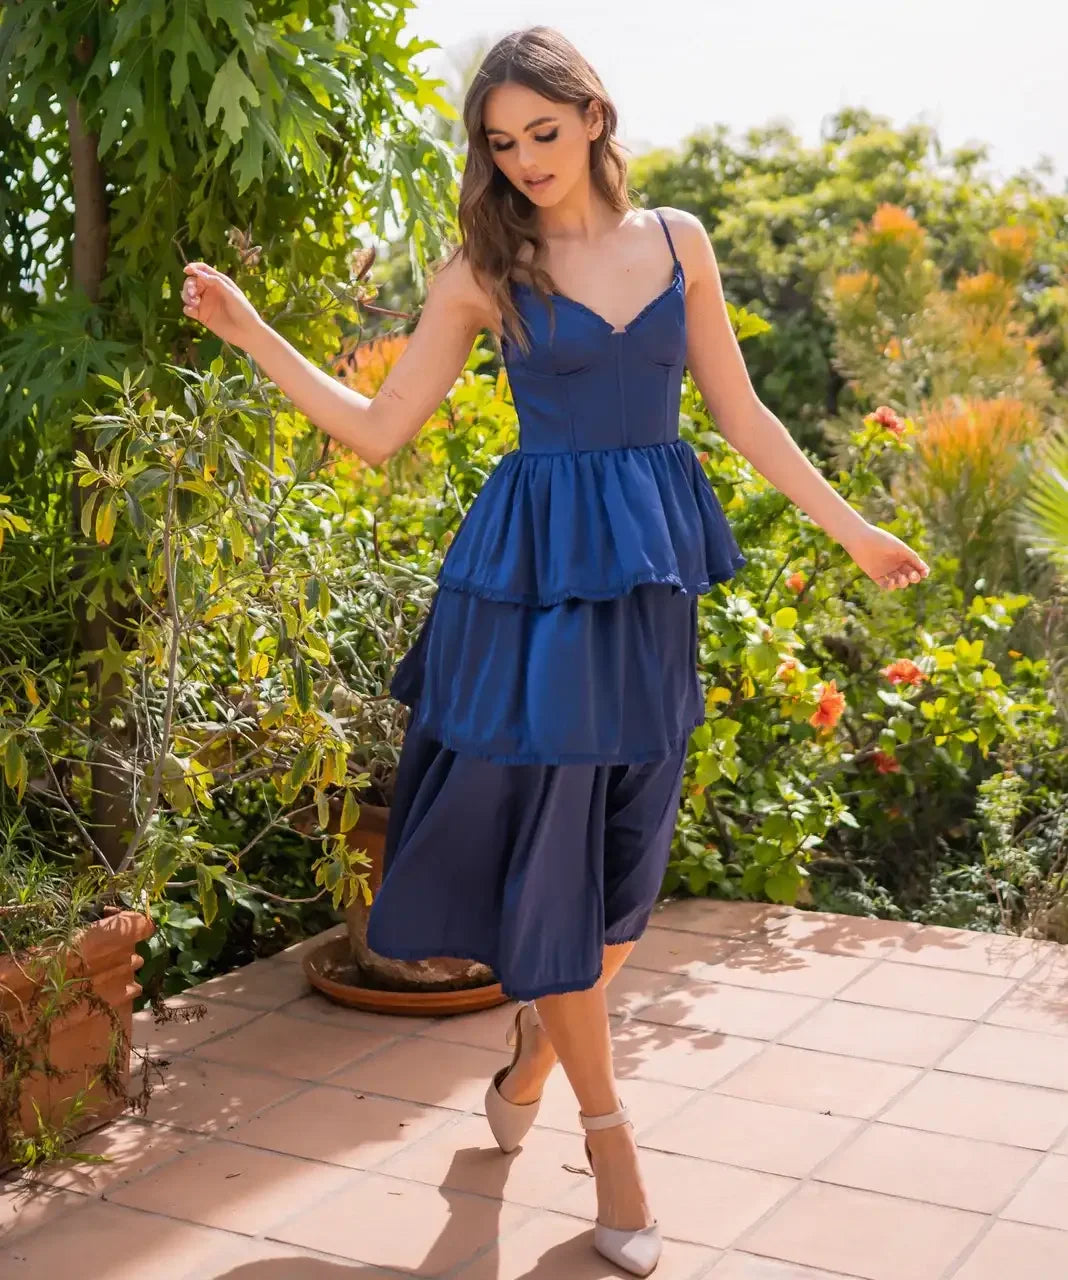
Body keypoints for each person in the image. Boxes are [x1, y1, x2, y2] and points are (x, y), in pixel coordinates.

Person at [180, 25, 928, 1276]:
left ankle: (536, 1045)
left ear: (593, 117)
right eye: (501, 140)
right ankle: (611, 1141)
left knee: (628, 870)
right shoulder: (483, 269)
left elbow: (739, 411)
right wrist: (252, 331)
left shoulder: (680, 242)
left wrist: (854, 530)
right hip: (534, 597)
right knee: (564, 872)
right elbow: (379, 428)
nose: (525, 158)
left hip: (650, 587)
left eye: (543, 130)